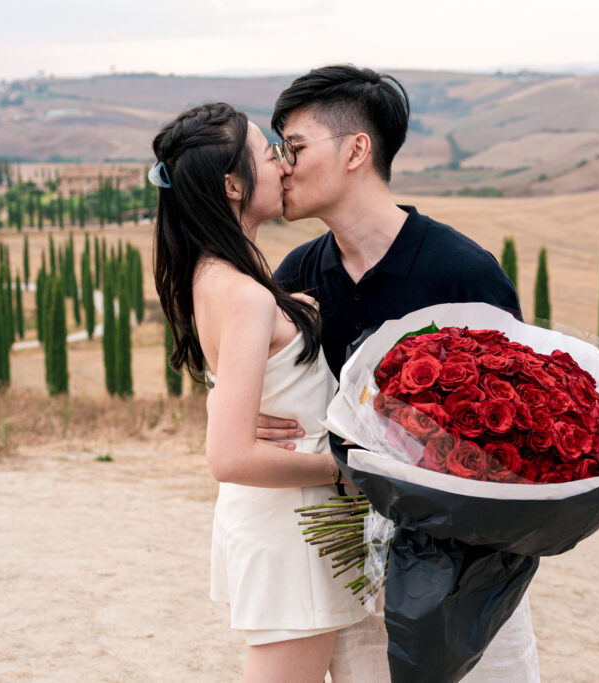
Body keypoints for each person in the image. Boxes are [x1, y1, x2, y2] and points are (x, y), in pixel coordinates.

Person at [257, 65, 542, 681]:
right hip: (345, 569)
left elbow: (520, 431)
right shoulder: (297, 276)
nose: (282, 165)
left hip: (464, 581)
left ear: (358, 149)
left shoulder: (462, 273)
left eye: (296, 148)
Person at [151, 102, 372, 683]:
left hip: (285, 519)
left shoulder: (216, 275)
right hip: (291, 525)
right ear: (232, 184)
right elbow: (227, 457)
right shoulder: (243, 294)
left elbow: (244, 384)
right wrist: (352, 470)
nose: (283, 165)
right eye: (269, 153)